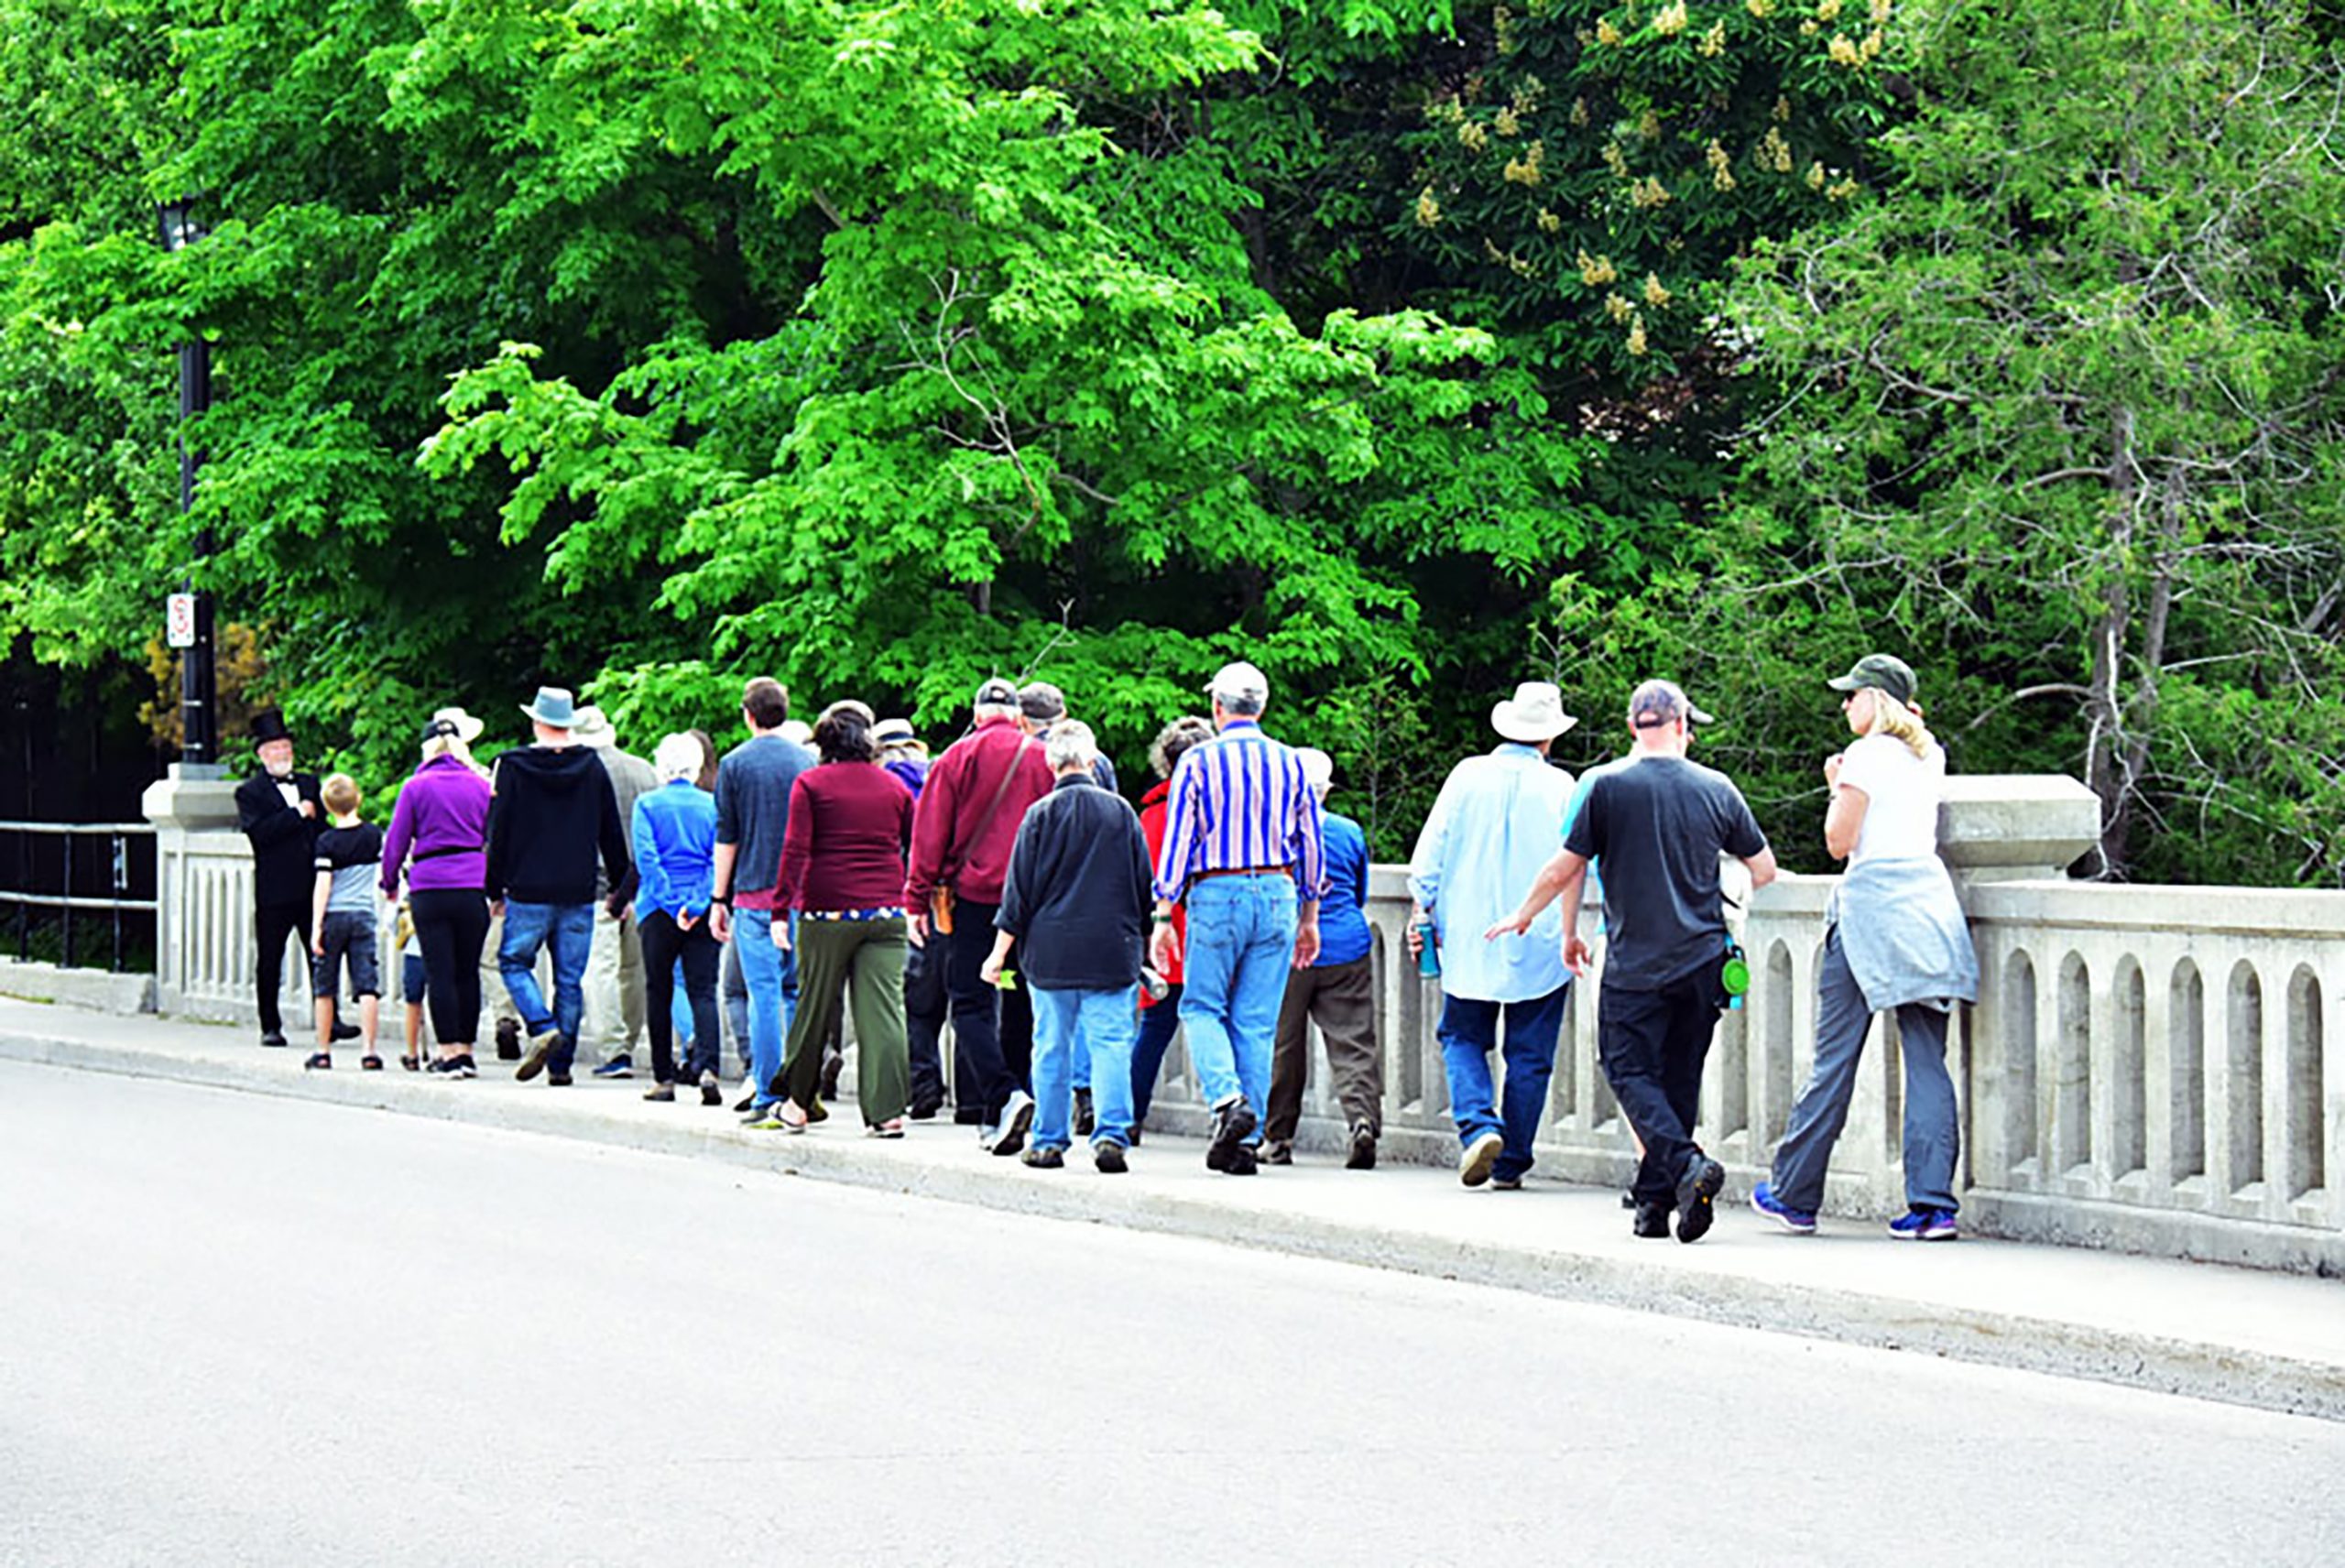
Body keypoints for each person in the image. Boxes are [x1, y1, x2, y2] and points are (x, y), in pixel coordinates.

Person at [1491, 680, 1778, 1243]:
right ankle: (1655, 1206)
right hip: (1702, 961)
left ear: (1631, 727)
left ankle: (1688, 1167)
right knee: (1678, 1079)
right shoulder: (1717, 788)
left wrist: (1524, 914)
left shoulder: (1608, 788)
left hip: (1634, 964)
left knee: (1626, 1069)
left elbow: (1565, 867)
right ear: (1683, 726)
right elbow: (1763, 869)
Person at [1753, 655, 1979, 1242]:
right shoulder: (1930, 755)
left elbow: (1838, 841)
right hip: (1927, 909)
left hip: (1870, 911)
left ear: (1877, 699)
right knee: (1927, 1060)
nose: (1844, 703)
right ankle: (1933, 1207)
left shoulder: (1864, 756)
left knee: (1835, 1059)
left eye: (1852, 695)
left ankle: (1794, 1195)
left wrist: (1837, 787)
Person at [1151, 661, 1325, 1176]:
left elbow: (1179, 839)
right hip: (1277, 891)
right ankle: (1244, 1141)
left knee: (1201, 1006)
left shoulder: (1197, 761)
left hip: (1217, 889)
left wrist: (1164, 912)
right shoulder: (1291, 761)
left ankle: (1228, 1101)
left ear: (1217, 707)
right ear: (1262, 707)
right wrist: (1309, 915)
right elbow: (1311, 842)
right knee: (1256, 1021)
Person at [1407, 682, 1579, 1189]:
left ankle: (1479, 1125)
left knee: (1461, 1036)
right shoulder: (1563, 787)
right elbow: (1576, 861)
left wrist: (1422, 911)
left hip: (1468, 933)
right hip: (1539, 934)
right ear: (1549, 737)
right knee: (1530, 1055)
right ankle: (1512, 1160)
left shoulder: (1466, 775)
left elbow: (1430, 854)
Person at [981, 722, 1151, 1171]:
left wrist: (998, 955)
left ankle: (1049, 1141)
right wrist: (1144, 943)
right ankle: (1111, 1135)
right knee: (1111, 1042)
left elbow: (1018, 896)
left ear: (1050, 763)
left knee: (1051, 1045)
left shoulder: (1039, 815)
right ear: (1092, 761)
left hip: (1051, 951)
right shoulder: (1122, 813)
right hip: (1112, 948)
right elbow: (1143, 888)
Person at [906, 677, 1054, 1152]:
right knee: (1018, 999)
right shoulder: (1041, 757)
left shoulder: (955, 757)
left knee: (970, 1001)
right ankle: (1009, 1105)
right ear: (1018, 717)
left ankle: (1002, 1095)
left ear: (976, 715)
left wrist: (917, 898)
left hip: (974, 901)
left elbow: (929, 833)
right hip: (1031, 902)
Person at [760, 702, 917, 1135]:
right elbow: (914, 844)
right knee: (884, 1012)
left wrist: (780, 910)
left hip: (826, 911)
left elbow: (795, 849)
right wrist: (912, 899)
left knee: (813, 1008)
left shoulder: (811, 784)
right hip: (887, 911)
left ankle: (797, 1105)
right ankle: (888, 1112)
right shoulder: (894, 786)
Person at [486, 687, 630, 1086]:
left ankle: (541, 1025)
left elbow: (499, 832)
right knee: (569, 979)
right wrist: (619, 887)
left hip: (527, 888)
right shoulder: (591, 766)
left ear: (536, 721)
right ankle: (561, 1066)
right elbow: (610, 830)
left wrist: (494, 888)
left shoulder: (512, 765)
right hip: (578, 888)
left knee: (513, 962)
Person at [1263, 748, 1382, 1170]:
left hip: (1289, 950)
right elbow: (1359, 891)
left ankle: (1277, 1137)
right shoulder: (1348, 831)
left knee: (1283, 1044)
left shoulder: (1273, 831)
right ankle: (1362, 1121)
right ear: (1326, 790)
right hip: (1346, 945)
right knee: (1353, 1042)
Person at [710, 679, 816, 1121]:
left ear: (748, 714)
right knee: (794, 993)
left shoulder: (734, 764)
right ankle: (799, 1090)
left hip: (755, 895)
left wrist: (718, 897)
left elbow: (727, 837)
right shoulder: (807, 761)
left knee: (763, 994)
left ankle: (768, 1092)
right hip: (803, 896)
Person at [381, 715, 496, 1077]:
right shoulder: (482, 786)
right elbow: (495, 838)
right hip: (471, 884)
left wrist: (389, 882)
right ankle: (467, 1050)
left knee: (440, 972)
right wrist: (495, 885)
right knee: (467, 972)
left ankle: (448, 1053)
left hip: (429, 885)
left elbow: (397, 840)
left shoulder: (416, 787)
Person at [1129, 714, 1215, 1143]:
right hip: (1210, 928)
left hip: (1164, 933)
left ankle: (1128, 1117)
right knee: (1220, 1021)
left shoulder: (1151, 815)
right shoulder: (1219, 808)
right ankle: (1231, 1113)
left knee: (1155, 1027)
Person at [633, 732, 724, 1105]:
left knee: (659, 989)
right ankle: (709, 1068)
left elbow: (647, 859)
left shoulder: (647, 804)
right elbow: (716, 858)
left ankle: (663, 1078)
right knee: (704, 989)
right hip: (701, 908)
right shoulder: (712, 805)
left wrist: (671, 904)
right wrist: (698, 902)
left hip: (658, 909)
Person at [234, 708, 324, 1050]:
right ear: (262, 754)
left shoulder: (309, 783)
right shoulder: (250, 792)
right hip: (275, 889)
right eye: (275, 748)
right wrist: (296, 813)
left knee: (319, 954)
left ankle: (328, 1018)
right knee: (271, 958)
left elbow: (321, 828)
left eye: (286, 747)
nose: (283, 753)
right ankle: (270, 1025)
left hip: (311, 885)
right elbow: (260, 834)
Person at [574, 705, 656, 1079]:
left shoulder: (579, 774)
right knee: (633, 970)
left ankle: (614, 1049)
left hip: (596, 886)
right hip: (641, 885)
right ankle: (630, 1038)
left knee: (601, 971)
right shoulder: (643, 770)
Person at [876, 717, 947, 1121]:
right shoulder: (937, 776)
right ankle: (974, 1097)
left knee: (914, 1005)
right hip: (947, 900)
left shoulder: (883, 784)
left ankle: (923, 1087)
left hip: (903, 901)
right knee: (960, 1000)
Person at [305, 773, 386, 1070]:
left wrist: (316, 925)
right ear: (359, 799)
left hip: (334, 915)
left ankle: (323, 1050)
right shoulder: (373, 835)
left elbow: (323, 885)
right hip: (363, 914)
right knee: (367, 985)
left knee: (325, 986)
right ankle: (369, 1051)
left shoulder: (327, 841)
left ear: (327, 806)